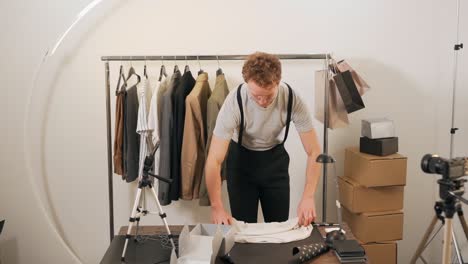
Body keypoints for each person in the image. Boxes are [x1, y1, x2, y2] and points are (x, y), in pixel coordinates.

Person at [205, 52, 321, 226]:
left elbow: (314, 151)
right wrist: (216, 207)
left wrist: (308, 197)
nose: (262, 102)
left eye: (268, 96)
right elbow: (214, 159)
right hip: (241, 167)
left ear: (278, 82)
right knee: (244, 231)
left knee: (279, 228)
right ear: (246, 84)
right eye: (256, 95)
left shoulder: (292, 99)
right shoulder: (234, 102)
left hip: (275, 165)